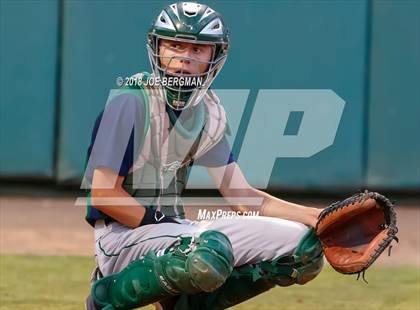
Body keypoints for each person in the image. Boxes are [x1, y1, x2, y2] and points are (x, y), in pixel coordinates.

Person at [84, 2, 324, 309]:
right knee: (206, 252)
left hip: (174, 230)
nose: (184, 57)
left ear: (215, 56)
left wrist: (318, 218)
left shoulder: (207, 112)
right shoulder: (131, 103)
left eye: (197, 49)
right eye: (174, 45)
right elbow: (104, 195)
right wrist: (161, 222)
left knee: (300, 246)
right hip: (121, 238)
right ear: (157, 48)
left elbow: (243, 197)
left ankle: (182, 303)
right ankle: (107, 296)